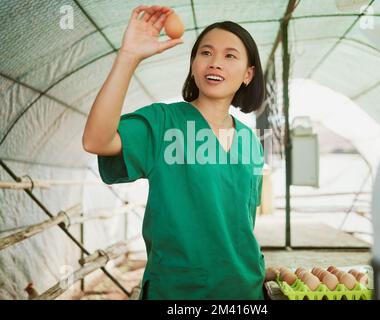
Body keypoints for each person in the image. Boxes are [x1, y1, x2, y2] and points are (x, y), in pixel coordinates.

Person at [82, 5, 266, 300]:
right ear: (193, 65)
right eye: (205, 53)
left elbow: (240, 226)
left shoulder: (251, 142)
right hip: (176, 293)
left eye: (229, 55)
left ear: (248, 74)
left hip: (244, 291)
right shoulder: (162, 124)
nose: (215, 62)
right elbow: (96, 140)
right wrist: (128, 57)